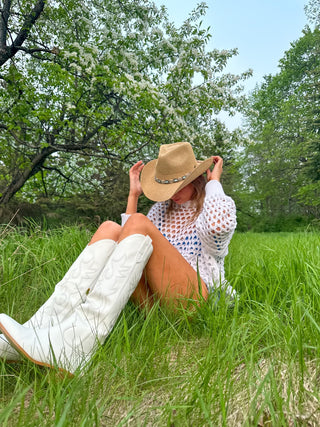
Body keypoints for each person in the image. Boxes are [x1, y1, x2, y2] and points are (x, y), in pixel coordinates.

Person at [0, 141, 237, 375]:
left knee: (137, 222)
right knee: (109, 228)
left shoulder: (215, 205)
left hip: (195, 301)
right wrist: (133, 195)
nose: (173, 193)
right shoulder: (162, 211)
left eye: (179, 184)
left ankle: (79, 340)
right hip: (156, 305)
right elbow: (129, 242)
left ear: (195, 179)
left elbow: (217, 229)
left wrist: (214, 183)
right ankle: (39, 328)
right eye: (168, 186)